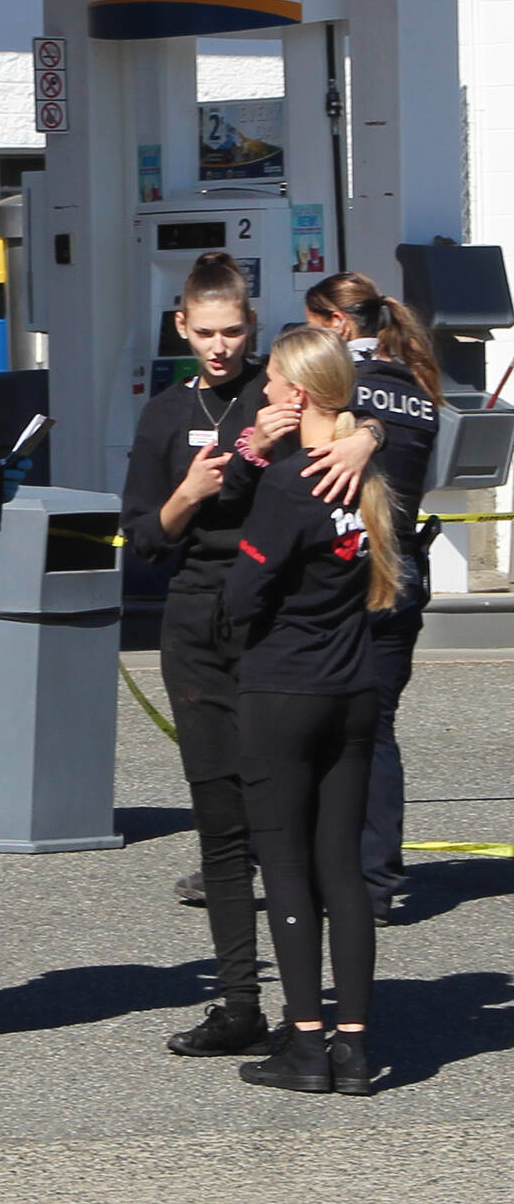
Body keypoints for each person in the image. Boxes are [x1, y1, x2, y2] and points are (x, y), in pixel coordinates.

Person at [119, 253, 378, 1058]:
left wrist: (365, 437)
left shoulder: (285, 389)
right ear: (181, 327)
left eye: (234, 332)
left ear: (253, 328)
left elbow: (365, 409)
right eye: (205, 333)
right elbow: (144, 538)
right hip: (199, 622)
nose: (221, 349)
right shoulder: (166, 413)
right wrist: (192, 492)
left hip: (281, 620)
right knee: (221, 820)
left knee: (299, 831)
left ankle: (317, 1010)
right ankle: (240, 999)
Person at [225, 327, 400, 1094]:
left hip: (285, 688)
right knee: (344, 869)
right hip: (354, 687)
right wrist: (370, 431)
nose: (263, 395)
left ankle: (304, 1042)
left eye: (271, 384)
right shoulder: (365, 473)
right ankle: (355, 1047)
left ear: (299, 396)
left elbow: (242, 594)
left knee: (288, 867)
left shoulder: (294, 482)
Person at [302, 273, 442, 923]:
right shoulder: (419, 387)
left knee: (307, 724)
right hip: (407, 571)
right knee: (377, 731)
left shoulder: (344, 389)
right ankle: (378, 880)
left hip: (349, 573)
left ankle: (275, 856)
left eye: (311, 323)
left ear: (335, 325)